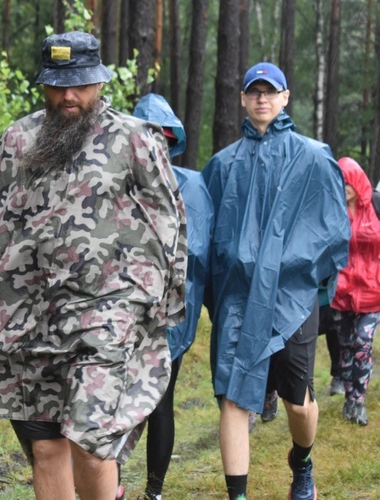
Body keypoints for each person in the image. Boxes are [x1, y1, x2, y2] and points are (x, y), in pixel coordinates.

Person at [0, 31, 187, 500]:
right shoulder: (18, 140)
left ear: (99, 82)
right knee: (45, 449)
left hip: (107, 317)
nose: (68, 96)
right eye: (58, 85)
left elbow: (171, 224)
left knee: (91, 442)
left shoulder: (134, 140)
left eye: (78, 84)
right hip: (29, 321)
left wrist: (162, 302)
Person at [202, 62, 350, 500]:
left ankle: (302, 462)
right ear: (243, 99)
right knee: (233, 395)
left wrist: (298, 273)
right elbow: (208, 235)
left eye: (271, 91)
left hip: (290, 299)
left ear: (285, 97)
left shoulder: (312, 156)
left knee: (297, 401)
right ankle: (238, 495)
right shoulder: (223, 165)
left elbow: (331, 228)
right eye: (254, 91)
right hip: (238, 299)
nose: (262, 98)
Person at [132, 93, 213, 500]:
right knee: (112, 404)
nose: (155, 144)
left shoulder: (194, 187)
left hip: (172, 320)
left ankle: (154, 490)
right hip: (122, 315)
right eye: (147, 135)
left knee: (161, 402)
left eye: (162, 137)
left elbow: (201, 253)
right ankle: (104, 483)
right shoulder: (117, 180)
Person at [318, 156, 380, 426]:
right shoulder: (333, 211)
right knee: (345, 346)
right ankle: (347, 399)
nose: (342, 187)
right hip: (341, 292)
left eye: (346, 182)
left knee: (363, 344)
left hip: (373, 291)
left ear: (356, 181)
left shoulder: (377, 206)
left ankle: (359, 401)